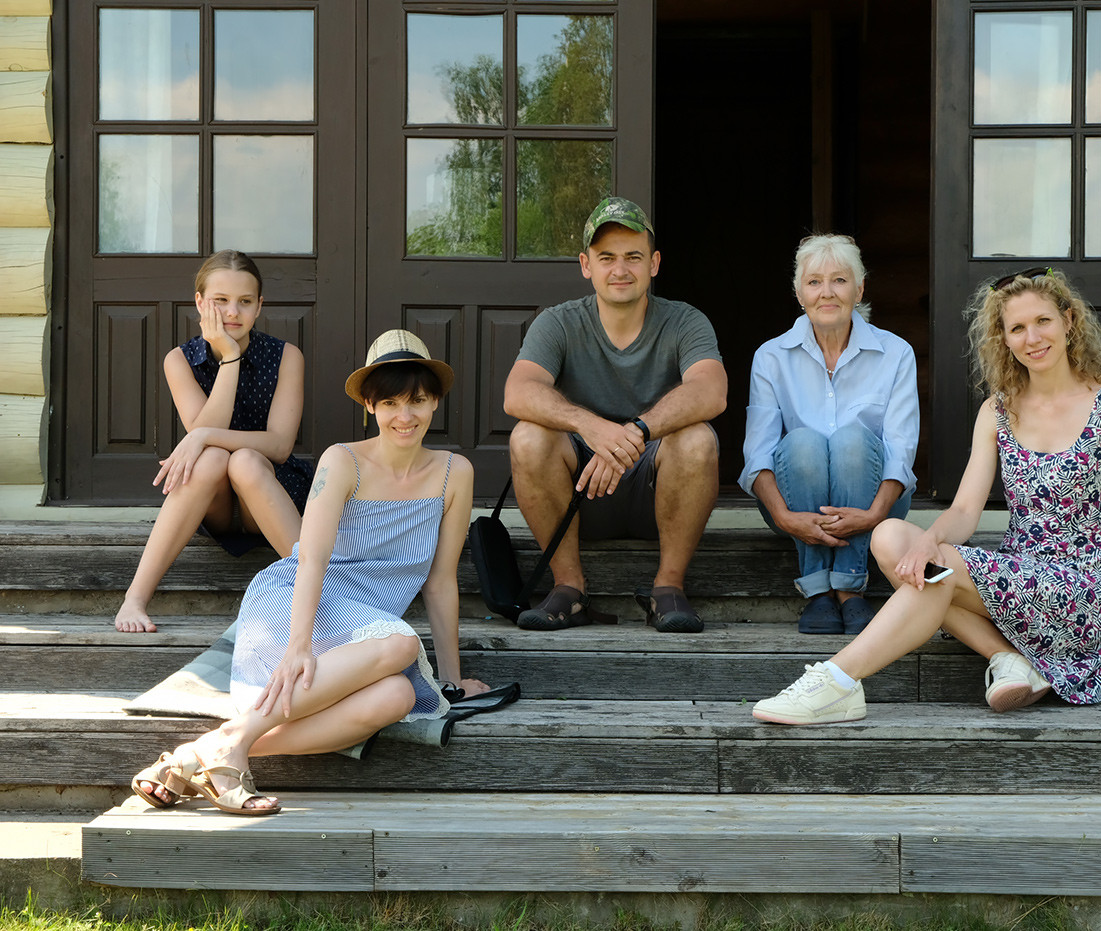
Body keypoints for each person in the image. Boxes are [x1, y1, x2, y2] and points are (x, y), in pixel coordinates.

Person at [752, 268, 1101, 725]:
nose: (1032, 338)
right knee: (892, 538)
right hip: (1013, 578)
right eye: (1017, 328)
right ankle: (1008, 658)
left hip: (1079, 591)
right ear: (1004, 339)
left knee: (935, 572)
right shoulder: (998, 410)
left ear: (1069, 321)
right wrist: (928, 541)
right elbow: (963, 510)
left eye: (1042, 321)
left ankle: (837, 681)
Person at [130, 330, 487, 813]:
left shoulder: (454, 473)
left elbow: (440, 581)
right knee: (403, 645)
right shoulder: (343, 461)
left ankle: (208, 751)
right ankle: (230, 745)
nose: (405, 416)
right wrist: (298, 646)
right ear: (369, 405)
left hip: (364, 630)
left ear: (436, 402)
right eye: (390, 403)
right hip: (298, 601)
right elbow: (311, 558)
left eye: (418, 401)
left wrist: (451, 678)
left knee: (399, 696)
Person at [503, 196, 726, 633]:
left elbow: (711, 391)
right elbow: (517, 392)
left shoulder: (685, 321)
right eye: (606, 258)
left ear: (654, 263)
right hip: (581, 495)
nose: (620, 269)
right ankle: (569, 588)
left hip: (658, 493)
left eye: (633, 257)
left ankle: (668, 588)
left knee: (698, 438)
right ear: (586, 265)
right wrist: (591, 427)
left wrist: (635, 433)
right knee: (527, 437)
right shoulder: (559, 322)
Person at [114, 251, 314, 633]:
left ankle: (326, 591)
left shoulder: (287, 356)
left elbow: (279, 446)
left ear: (259, 306)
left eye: (245, 301)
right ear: (200, 302)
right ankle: (135, 598)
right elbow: (203, 442)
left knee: (245, 461)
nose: (233, 312)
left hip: (268, 489)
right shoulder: (179, 360)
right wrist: (231, 357)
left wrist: (204, 435)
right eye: (220, 300)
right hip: (214, 502)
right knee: (211, 460)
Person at [740, 234, 918, 635]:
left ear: (859, 289)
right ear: (799, 293)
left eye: (839, 280)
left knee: (851, 440)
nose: (827, 292)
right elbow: (759, 452)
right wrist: (783, 516)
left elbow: (901, 448)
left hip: (880, 506)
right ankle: (818, 590)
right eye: (814, 282)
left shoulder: (896, 353)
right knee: (803, 443)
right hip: (792, 506)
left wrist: (874, 514)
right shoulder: (771, 357)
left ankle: (850, 587)